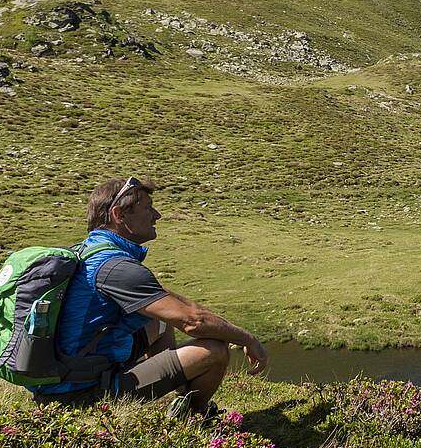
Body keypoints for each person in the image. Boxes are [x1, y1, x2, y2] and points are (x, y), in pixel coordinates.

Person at [30, 176, 269, 416]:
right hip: (81, 395)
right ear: (119, 215)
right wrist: (248, 339)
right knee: (214, 350)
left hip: (65, 377)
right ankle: (193, 416)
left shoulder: (88, 253)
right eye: (147, 208)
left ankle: (177, 389)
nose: (157, 215)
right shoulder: (115, 267)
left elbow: (175, 303)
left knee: (159, 320)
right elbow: (193, 322)